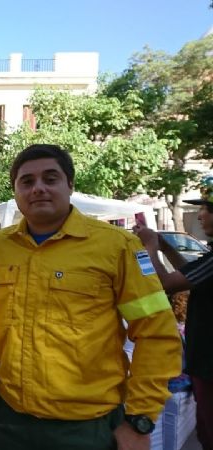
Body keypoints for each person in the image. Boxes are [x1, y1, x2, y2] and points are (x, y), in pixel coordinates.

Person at [0, 144, 182, 450]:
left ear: (70, 185)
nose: (38, 188)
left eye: (50, 179)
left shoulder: (117, 246)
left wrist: (140, 420)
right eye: (27, 181)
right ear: (16, 192)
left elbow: (156, 333)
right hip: (9, 420)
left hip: (86, 427)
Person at [133, 178, 213, 450]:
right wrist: (165, 248)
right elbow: (190, 277)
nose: (201, 216)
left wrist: (149, 248)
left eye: (208, 210)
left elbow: (164, 283)